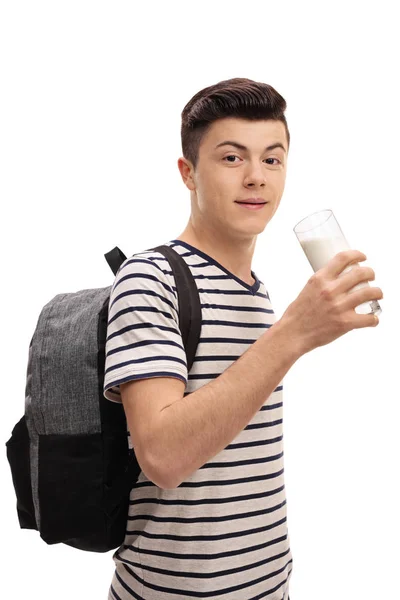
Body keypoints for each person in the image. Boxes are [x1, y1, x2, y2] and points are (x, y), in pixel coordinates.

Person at [103, 77, 382, 600]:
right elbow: (162, 458)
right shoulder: (151, 277)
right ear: (188, 173)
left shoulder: (259, 293)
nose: (256, 177)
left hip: (268, 586)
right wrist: (294, 333)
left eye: (272, 160)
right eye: (232, 158)